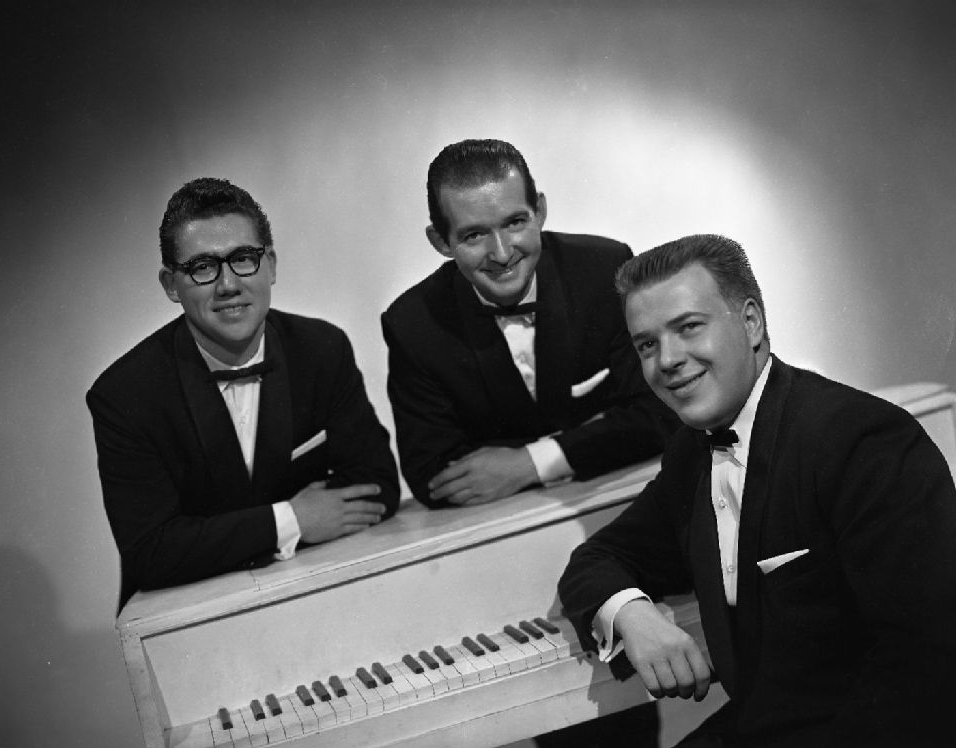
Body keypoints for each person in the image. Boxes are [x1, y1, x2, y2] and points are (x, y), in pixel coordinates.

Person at [559, 234, 956, 746]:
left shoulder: (864, 441)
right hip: (767, 723)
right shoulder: (691, 454)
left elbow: (927, 668)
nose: (667, 360)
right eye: (647, 345)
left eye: (688, 327)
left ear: (751, 323)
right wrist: (631, 614)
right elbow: (596, 559)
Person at [88, 178, 399, 611]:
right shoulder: (124, 394)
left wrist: (215, 538)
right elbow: (153, 552)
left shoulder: (322, 349)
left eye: (243, 259)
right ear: (171, 284)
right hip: (192, 615)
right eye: (202, 267)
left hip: (318, 590)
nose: (228, 284)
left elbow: (378, 487)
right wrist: (290, 520)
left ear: (270, 265)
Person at [381, 139, 678, 508]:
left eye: (514, 222)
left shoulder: (604, 269)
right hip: (506, 522)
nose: (502, 253)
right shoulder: (412, 323)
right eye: (474, 235)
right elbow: (434, 475)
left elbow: (663, 409)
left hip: (629, 495)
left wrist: (530, 463)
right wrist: (600, 433)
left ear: (539, 211)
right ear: (441, 241)